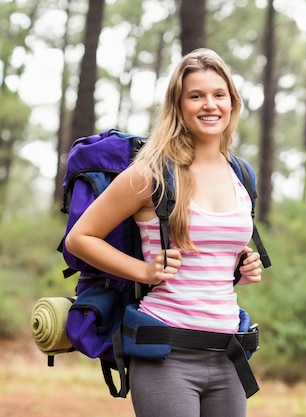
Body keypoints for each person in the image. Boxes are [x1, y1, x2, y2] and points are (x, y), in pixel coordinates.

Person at [65, 48, 264, 417]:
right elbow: (80, 237)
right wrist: (143, 270)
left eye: (219, 94)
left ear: (232, 102)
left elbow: (211, 253)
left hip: (229, 352)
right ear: (179, 104)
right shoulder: (151, 173)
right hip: (166, 353)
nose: (210, 104)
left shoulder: (241, 174)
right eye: (196, 95)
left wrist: (243, 266)